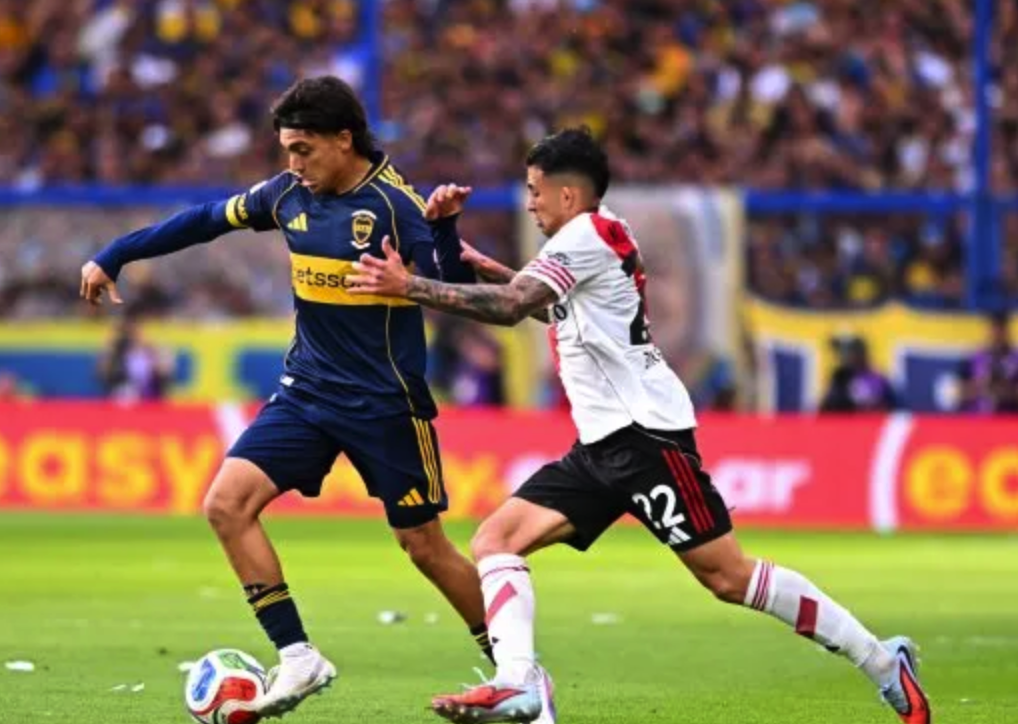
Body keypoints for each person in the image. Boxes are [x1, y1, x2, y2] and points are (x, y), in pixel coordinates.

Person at [346, 127, 930, 724]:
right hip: (601, 446)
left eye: (535, 191)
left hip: (644, 438)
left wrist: (407, 285)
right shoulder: (598, 234)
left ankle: (881, 660)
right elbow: (555, 309)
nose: (530, 203)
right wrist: (485, 264)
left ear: (568, 195)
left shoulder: (582, 238)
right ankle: (518, 682)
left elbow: (514, 307)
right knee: (496, 540)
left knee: (729, 577)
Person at [79, 76, 521, 720]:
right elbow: (204, 221)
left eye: (304, 149)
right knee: (226, 504)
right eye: (287, 148)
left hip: (385, 404)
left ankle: (515, 671)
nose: (292, 163)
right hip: (306, 392)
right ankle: (297, 656)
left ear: (344, 140)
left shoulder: (395, 205)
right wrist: (116, 254)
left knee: (423, 545)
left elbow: (457, 290)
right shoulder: (286, 195)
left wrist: (445, 230)